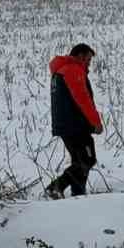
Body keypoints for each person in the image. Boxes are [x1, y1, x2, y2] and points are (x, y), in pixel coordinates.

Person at [46, 44, 103, 198]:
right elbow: (83, 100)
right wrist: (96, 122)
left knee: (80, 160)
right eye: (89, 59)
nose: (90, 63)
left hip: (66, 125)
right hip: (76, 125)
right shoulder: (73, 70)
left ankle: (78, 194)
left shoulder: (61, 71)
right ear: (80, 56)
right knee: (87, 160)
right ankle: (57, 186)